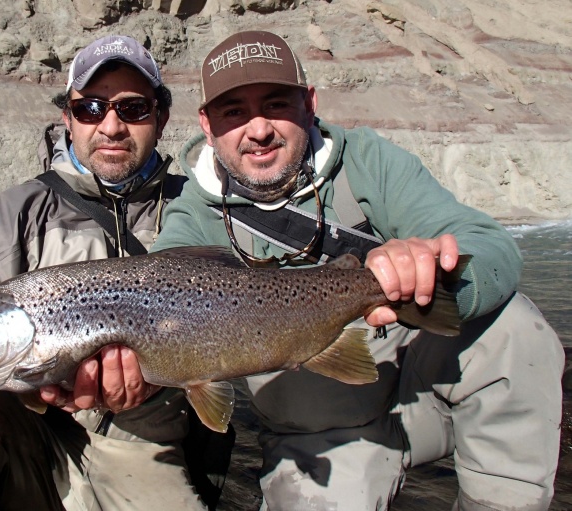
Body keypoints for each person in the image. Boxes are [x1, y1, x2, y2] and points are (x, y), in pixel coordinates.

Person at [150, 30, 565, 510]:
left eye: (276, 104)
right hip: (319, 435)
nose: (258, 129)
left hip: (424, 401)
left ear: (309, 103)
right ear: (207, 123)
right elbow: (156, 301)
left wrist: (431, 271)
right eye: (234, 111)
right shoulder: (193, 216)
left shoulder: (370, 161)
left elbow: (492, 247)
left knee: (516, 328)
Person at [0, 35, 216, 511]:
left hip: (144, 441)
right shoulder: (19, 211)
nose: (111, 125)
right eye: (90, 108)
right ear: (67, 118)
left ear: (161, 117)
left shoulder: (196, 208)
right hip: (26, 434)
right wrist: (40, 383)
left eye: (132, 109)